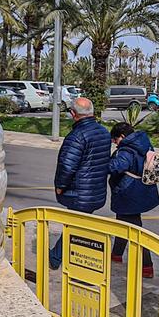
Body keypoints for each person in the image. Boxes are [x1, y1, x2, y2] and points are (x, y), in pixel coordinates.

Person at [49, 96, 110, 269]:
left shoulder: (76, 136)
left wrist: (60, 186)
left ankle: (58, 257)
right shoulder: (103, 132)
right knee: (79, 224)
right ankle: (63, 255)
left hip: (78, 192)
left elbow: (67, 166)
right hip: (95, 190)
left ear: (73, 114)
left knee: (75, 226)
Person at [106, 123, 159, 278]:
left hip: (128, 193)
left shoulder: (126, 150)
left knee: (136, 229)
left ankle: (147, 266)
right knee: (124, 223)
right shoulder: (143, 142)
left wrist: (102, 164)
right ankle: (116, 254)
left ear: (122, 136)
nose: (114, 143)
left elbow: (116, 167)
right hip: (141, 189)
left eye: (115, 140)